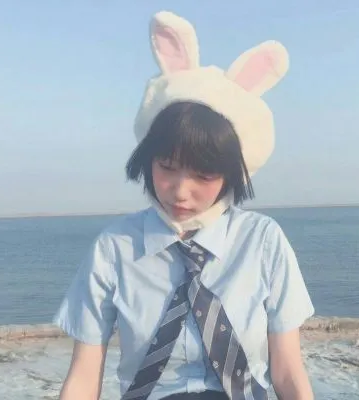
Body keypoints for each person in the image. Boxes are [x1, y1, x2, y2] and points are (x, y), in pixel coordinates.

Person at [54, 11, 315, 400]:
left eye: (204, 176)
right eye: (166, 166)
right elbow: (83, 377)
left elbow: (288, 372)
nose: (180, 191)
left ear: (231, 174)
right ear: (147, 159)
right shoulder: (115, 249)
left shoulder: (262, 242)